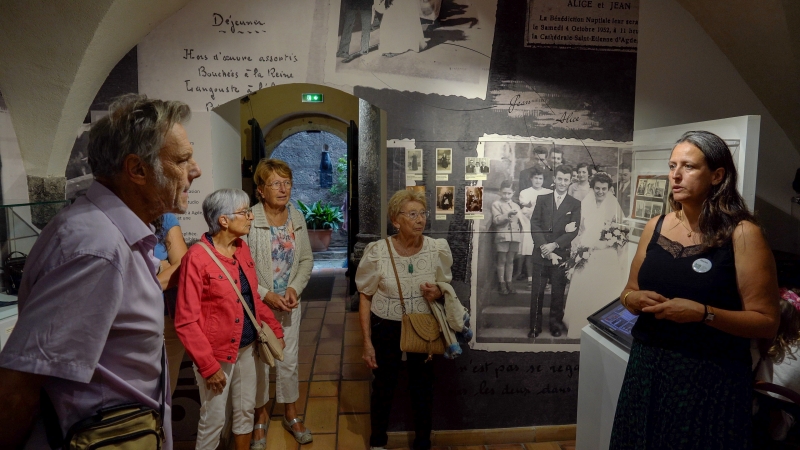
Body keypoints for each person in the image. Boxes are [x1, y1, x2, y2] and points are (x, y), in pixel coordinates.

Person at [0, 94, 201, 449]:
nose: (195, 170)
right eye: (183, 160)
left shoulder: (116, 234)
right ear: (137, 170)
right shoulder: (97, 248)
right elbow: (20, 387)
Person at [610, 131, 780, 449]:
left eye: (688, 166)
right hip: (648, 366)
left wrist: (703, 314)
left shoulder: (743, 234)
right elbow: (629, 291)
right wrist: (633, 299)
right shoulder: (656, 225)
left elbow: (767, 321)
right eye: (672, 165)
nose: (675, 175)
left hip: (710, 375)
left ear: (717, 175)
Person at [176, 189, 285, 450]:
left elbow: (252, 298)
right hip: (216, 356)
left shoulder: (241, 249)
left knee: (245, 410)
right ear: (223, 220)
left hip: (247, 348)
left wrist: (274, 329)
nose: (250, 216)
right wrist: (208, 366)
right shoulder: (196, 258)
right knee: (213, 419)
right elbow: (185, 321)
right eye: (244, 212)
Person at [356, 190, 452, 450]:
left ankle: (423, 442)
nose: (420, 219)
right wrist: (367, 343)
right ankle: (378, 442)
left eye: (422, 213)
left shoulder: (436, 249)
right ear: (396, 221)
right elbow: (365, 297)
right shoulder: (378, 252)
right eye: (412, 214)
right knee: (384, 387)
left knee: (423, 388)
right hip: (386, 327)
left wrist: (438, 291)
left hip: (423, 326)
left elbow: (445, 284)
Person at [247, 159, 314, 447]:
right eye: (276, 183)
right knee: (261, 360)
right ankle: (260, 416)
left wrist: (293, 289)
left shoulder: (296, 217)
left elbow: (306, 259)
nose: (283, 188)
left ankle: (290, 412)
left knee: (289, 358)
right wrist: (265, 294)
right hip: (259, 305)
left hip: (288, 303)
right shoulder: (249, 219)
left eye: (287, 182)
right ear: (261, 190)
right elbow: (242, 267)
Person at [563, 172, 627, 338]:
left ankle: (604, 328)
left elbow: (622, 230)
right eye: (597, 188)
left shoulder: (613, 204)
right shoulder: (585, 204)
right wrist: (581, 247)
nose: (600, 192)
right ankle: (580, 323)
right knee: (585, 284)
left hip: (606, 252)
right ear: (592, 188)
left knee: (604, 287)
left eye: (604, 189)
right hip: (587, 252)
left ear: (609, 189)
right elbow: (580, 228)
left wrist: (608, 241)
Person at [528, 165, 580, 338]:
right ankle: (535, 326)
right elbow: (534, 224)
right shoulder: (542, 199)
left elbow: (573, 231)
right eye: (560, 179)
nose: (562, 183)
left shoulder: (575, 204)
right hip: (541, 254)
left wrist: (554, 246)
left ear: (570, 181)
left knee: (558, 292)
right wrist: (544, 247)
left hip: (561, 254)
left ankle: (555, 325)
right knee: (537, 292)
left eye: (566, 180)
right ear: (554, 179)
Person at [155, 213, 190, 393]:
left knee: (166, 391)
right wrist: (161, 267)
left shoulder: (165, 218)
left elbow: (183, 265)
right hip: (124, 320)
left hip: (166, 320)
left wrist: (145, 283)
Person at [518, 168, 553, 287]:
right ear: (531, 179)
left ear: (543, 180)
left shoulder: (548, 192)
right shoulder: (525, 192)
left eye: (540, 178)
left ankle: (544, 280)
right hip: (529, 225)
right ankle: (530, 279)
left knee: (544, 251)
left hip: (544, 226)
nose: (538, 181)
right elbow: (526, 211)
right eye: (536, 178)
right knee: (529, 252)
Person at [491, 180, 524, 295]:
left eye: (509, 193)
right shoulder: (496, 204)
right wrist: (507, 215)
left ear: (513, 193)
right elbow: (496, 220)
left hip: (514, 236)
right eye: (504, 193)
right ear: (500, 192)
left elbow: (520, 222)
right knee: (502, 260)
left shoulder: (516, 205)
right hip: (502, 236)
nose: (506, 196)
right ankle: (501, 283)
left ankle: (509, 282)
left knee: (510, 260)